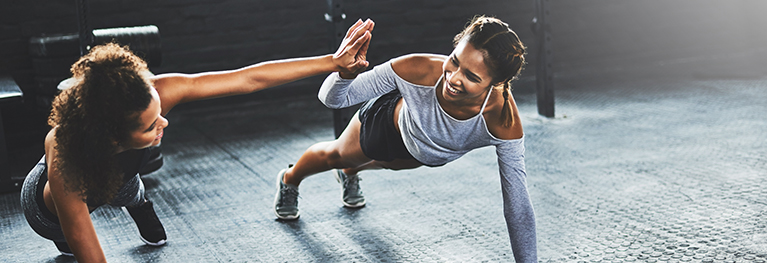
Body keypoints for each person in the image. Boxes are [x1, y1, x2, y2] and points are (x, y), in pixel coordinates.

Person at [20, 19, 375, 262]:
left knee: (128, 186)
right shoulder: (68, 165)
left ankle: (139, 203)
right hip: (47, 211)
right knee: (69, 240)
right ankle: (121, 203)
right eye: (149, 125)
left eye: (159, 111)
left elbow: (247, 79)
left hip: (120, 170)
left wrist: (331, 62)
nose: (164, 122)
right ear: (109, 135)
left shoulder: (152, 93)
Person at [273, 16, 536, 262]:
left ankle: (349, 172)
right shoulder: (416, 68)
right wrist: (345, 73)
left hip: (422, 154)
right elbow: (333, 100)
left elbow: (518, 205)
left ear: (497, 82)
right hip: (385, 127)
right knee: (335, 155)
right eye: (455, 61)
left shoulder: (503, 122)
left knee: (386, 163)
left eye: (471, 77)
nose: (453, 78)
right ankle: (290, 178)